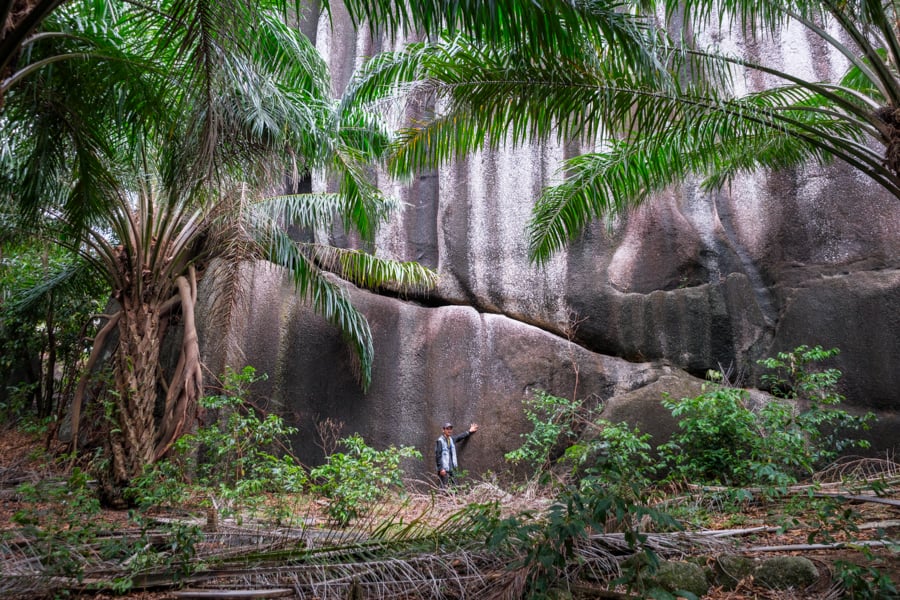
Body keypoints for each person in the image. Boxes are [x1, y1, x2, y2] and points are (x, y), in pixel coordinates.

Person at [435, 421, 479, 488]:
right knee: (444, 487)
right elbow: (438, 456)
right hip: (444, 469)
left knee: (455, 486)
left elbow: (459, 437)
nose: (449, 430)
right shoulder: (440, 441)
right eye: (447, 429)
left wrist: (469, 431)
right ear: (443, 430)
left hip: (452, 468)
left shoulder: (451, 439)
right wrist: (441, 469)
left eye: (450, 429)